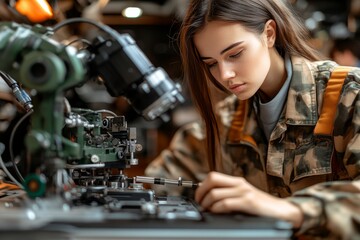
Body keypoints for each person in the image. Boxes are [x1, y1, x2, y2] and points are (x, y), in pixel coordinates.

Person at [145, 0, 360, 239]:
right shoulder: (228, 118)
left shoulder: (349, 95)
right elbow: (162, 177)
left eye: (235, 54)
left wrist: (289, 210)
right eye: (211, 64)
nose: (225, 75)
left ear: (269, 34)